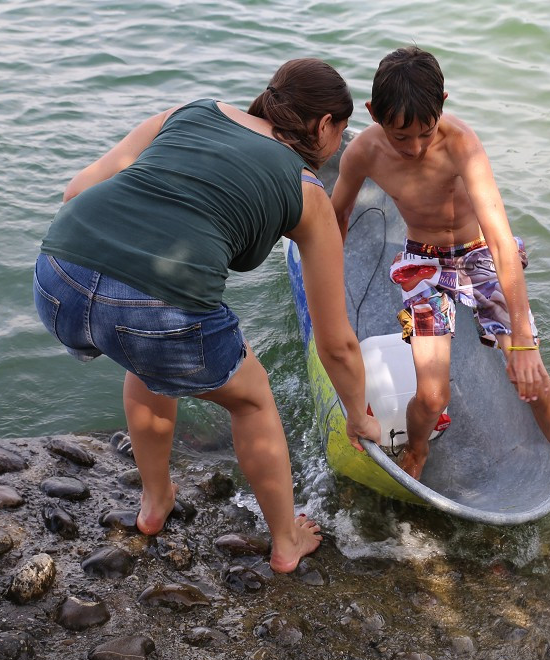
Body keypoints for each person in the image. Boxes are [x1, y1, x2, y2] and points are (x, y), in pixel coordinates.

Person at [33, 58, 381, 572]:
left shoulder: (190, 111)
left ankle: (154, 504)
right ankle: (286, 541)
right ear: (326, 125)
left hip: (57, 278)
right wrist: (357, 415)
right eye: (343, 129)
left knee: (148, 363)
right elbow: (336, 342)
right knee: (252, 400)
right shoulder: (308, 194)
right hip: (154, 313)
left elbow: (76, 191)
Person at [330, 47, 550, 547]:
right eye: (402, 136)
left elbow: (501, 240)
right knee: (431, 394)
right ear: (374, 116)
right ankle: (417, 450)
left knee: (533, 381)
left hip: (480, 255)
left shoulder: (462, 143)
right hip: (423, 264)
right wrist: (327, 286)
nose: (416, 147)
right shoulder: (364, 153)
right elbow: (335, 217)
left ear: (442, 103)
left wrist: (524, 342)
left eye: (425, 131)